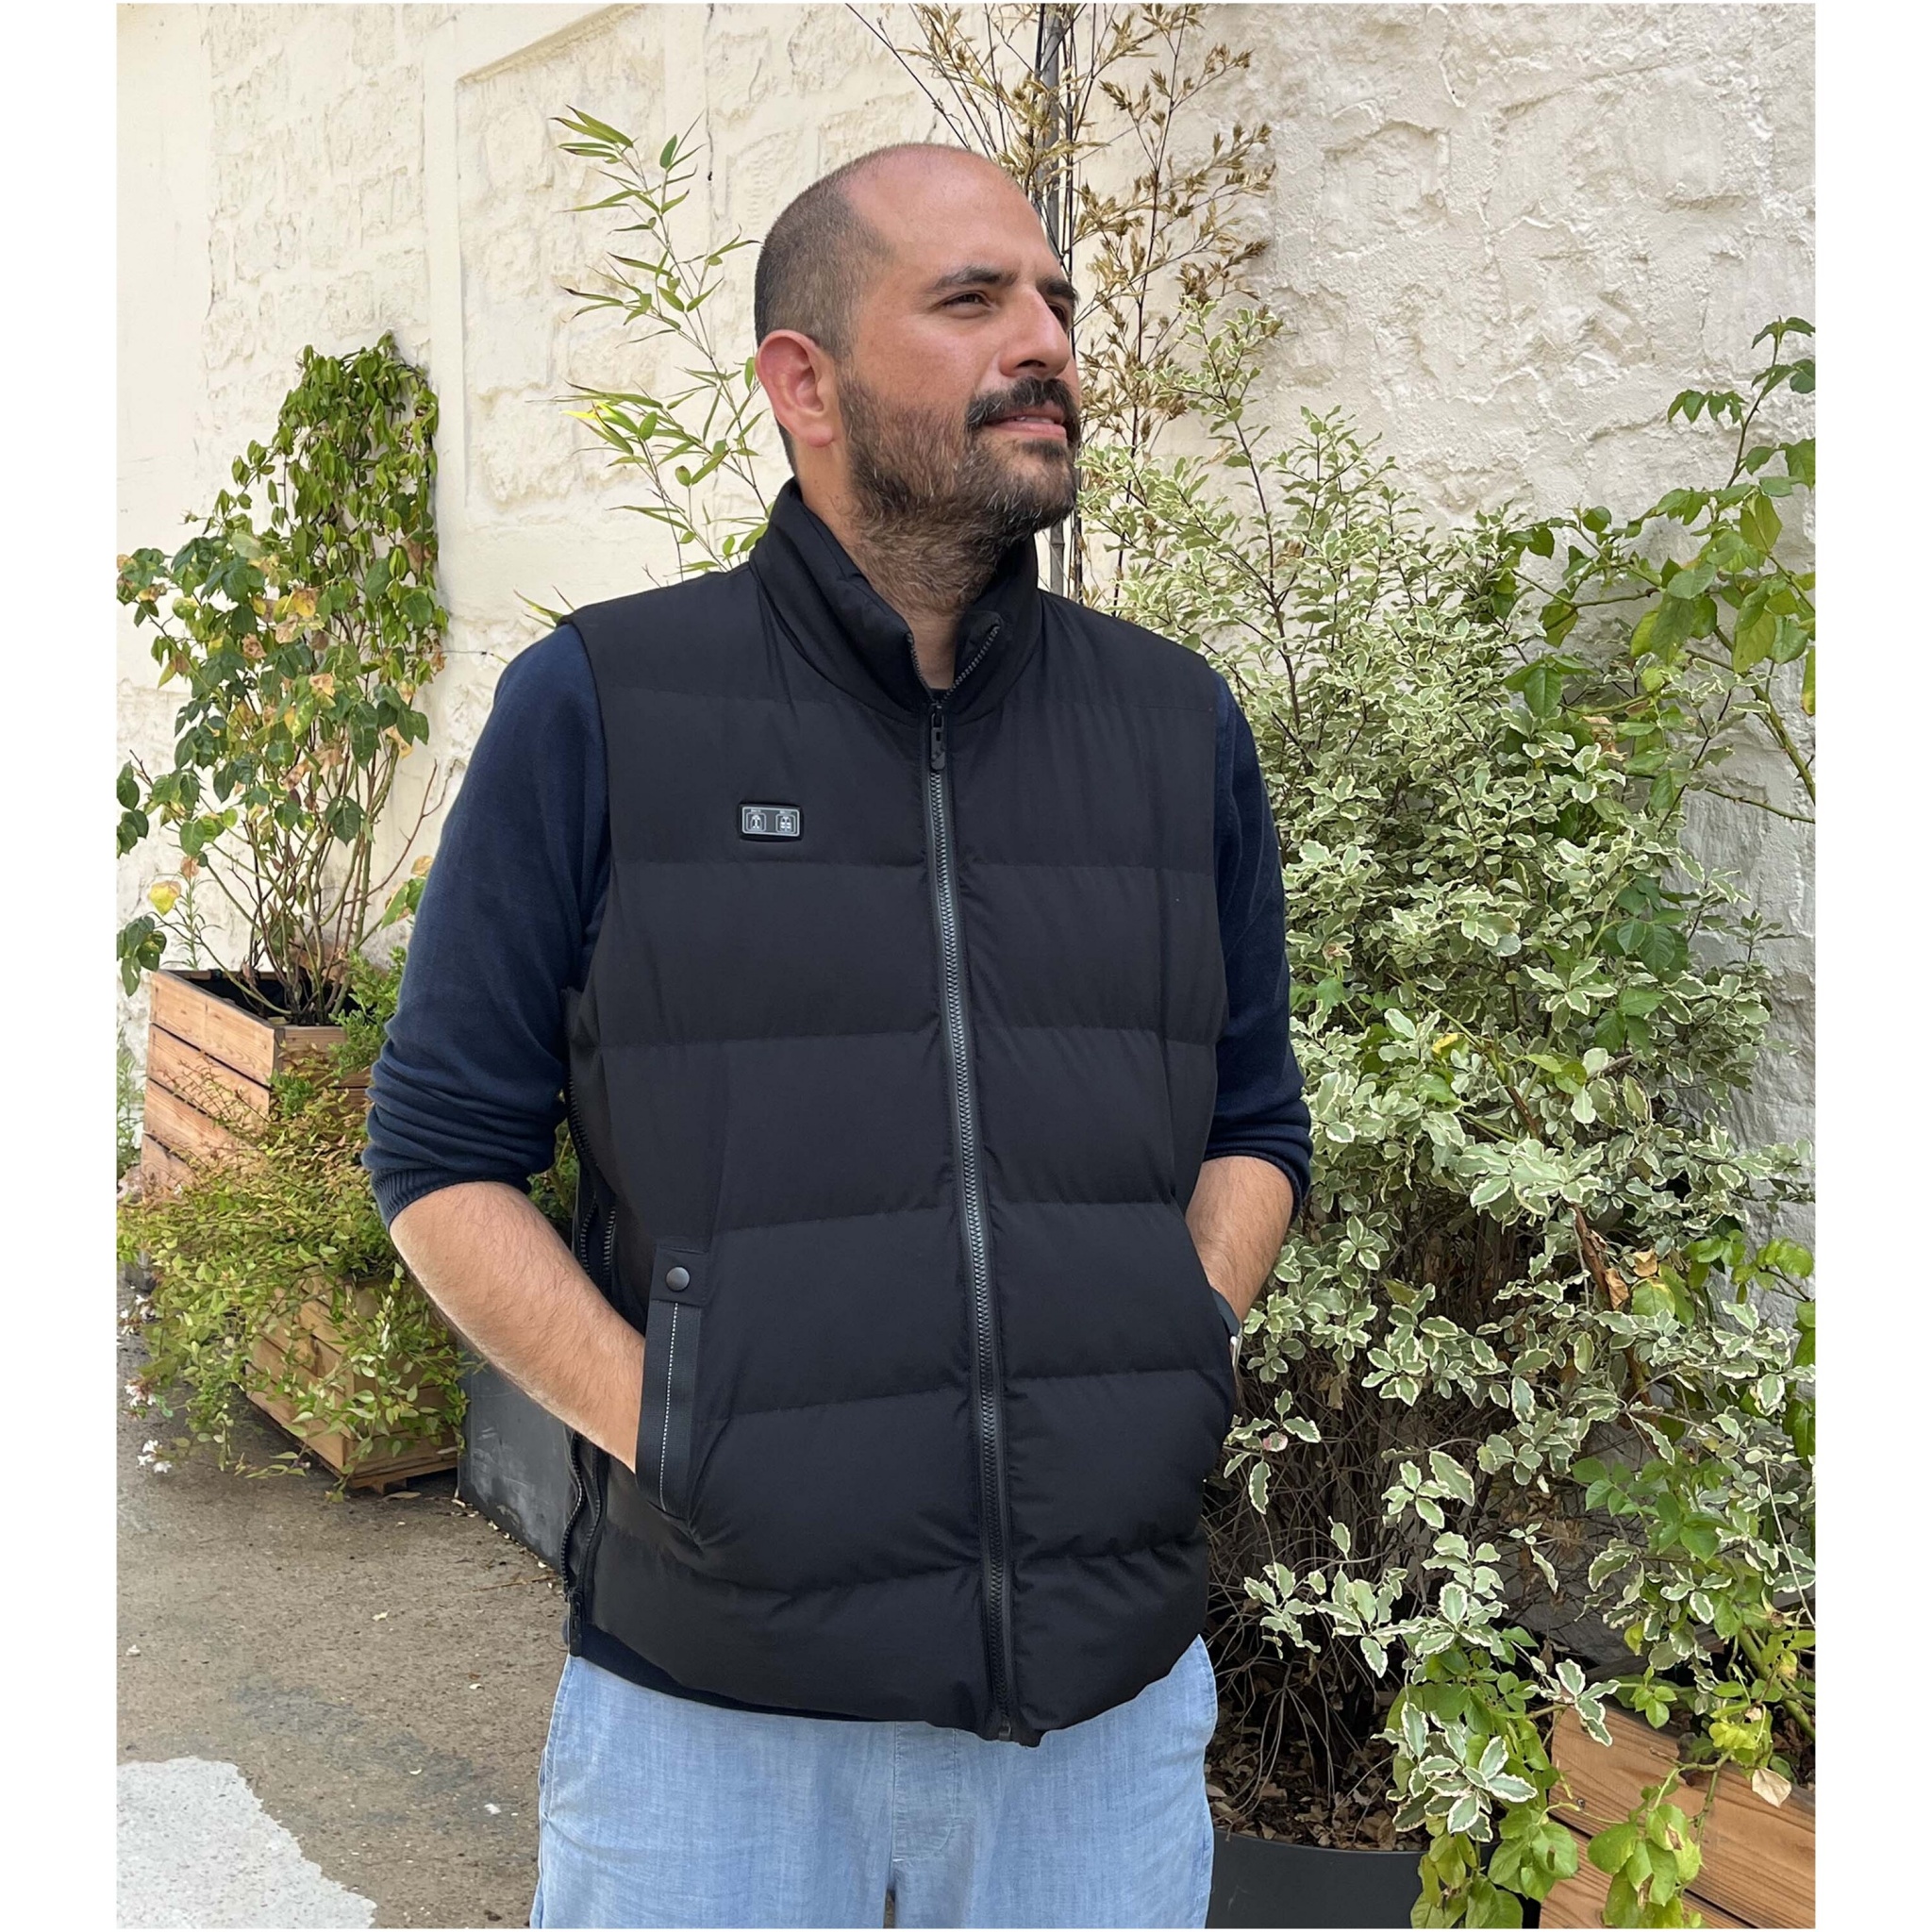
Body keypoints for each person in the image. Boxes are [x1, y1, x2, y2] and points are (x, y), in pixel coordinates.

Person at [367, 142, 1312, 1930]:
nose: (1044, 341)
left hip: (1100, 1735)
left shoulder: (1174, 727)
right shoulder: (605, 709)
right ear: (803, 383)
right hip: (713, 1725)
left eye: (1055, 303)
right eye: (971, 299)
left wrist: (1175, 1335)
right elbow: (436, 1157)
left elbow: (1256, 1118)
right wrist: (681, 1431)